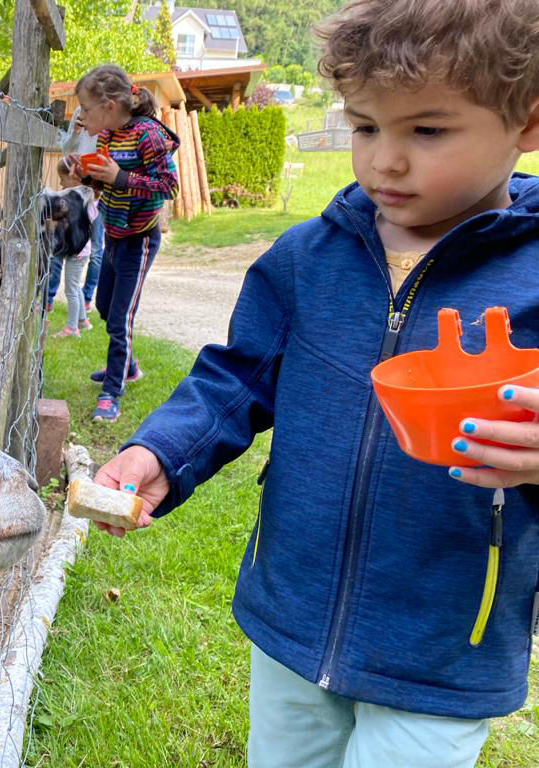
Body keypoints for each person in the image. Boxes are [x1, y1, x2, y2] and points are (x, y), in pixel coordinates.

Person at [91, 0, 539, 765]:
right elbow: (237, 377)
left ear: (527, 123)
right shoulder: (309, 257)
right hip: (292, 610)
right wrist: (161, 451)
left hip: (443, 643)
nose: (383, 162)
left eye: (427, 131)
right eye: (365, 126)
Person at [66, 65, 179, 422]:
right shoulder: (106, 138)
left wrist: (121, 176)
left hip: (139, 240)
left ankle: (111, 390)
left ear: (110, 105)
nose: (81, 116)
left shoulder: (147, 135)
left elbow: (168, 186)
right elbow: (106, 185)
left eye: (86, 108)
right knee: (102, 305)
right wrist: (86, 176)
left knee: (120, 317)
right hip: (112, 235)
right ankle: (128, 366)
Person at [51, 158, 98, 338]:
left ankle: (71, 328)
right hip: (80, 251)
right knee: (75, 286)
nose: (62, 183)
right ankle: (82, 320)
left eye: (63, 178)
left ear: (75, 178)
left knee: (70, 289)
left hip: (77, 252)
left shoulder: (83, 202)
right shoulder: (86, 199)